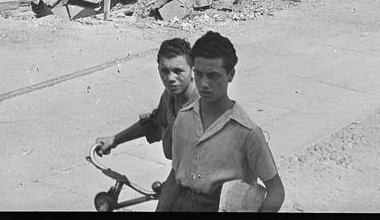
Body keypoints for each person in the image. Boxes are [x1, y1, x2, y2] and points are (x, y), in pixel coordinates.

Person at [161, 31, 285, 213]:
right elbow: (175, 176)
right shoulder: (184, 118)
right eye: (199, 74)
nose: (204, 83)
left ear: (231, 74)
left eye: (213, 76)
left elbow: (276, 191)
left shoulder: (247, 133)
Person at [96, 38, 198, 171]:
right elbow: (154, 123)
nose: (170, 78)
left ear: (193, 70)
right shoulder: (169, 96)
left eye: (178, 71)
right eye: (165, 71)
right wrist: (115, 140)